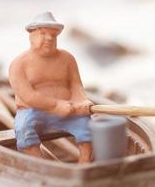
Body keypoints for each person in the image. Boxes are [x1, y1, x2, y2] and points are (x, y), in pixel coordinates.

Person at [8, 12, 94, 162]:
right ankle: (41, 164)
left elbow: (76, 84)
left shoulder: (67, 59)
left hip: (68, 110)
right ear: (32, 35)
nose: (49, 38)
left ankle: (85, 164)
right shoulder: (18, 64)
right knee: (23, 128)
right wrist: (56, 105)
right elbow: (27, 96)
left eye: (53, 35)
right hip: (33, 111)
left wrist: (81, 101)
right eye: (43, 33)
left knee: (87, 126)